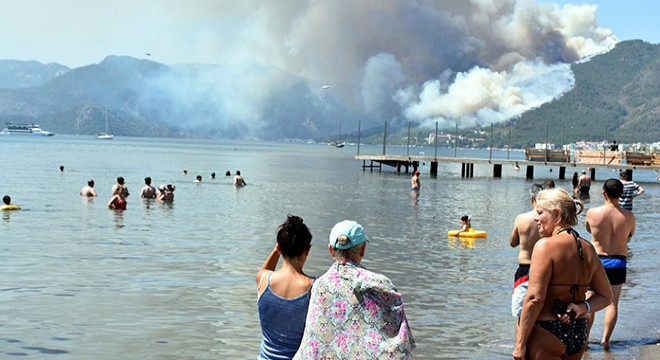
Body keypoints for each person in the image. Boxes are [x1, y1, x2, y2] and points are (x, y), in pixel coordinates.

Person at [513, 188, 612, 360]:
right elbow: (606, 296)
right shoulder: (588, 249)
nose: (536, 218)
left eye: (540, 212)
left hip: (546, 331)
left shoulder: (545, 246)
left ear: (557, 215)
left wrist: (519, 344)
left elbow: (535, 298)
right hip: (578, 331)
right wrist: (583, 307)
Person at [294, 220, 415, 359]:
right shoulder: (382, 284)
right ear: (363, 250)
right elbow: (399, 339)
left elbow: (314, 342)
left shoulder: (320, 286)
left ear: (331, 250)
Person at [585, 179, 636, 349]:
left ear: (603, 193)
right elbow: (629, 236)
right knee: (612, 303)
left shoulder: (592, 213)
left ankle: (584, 341)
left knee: (589, 302)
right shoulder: (629, 216)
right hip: (618, 262)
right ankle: (605, 340)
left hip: (597, 260)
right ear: (622, 194)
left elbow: (589, 229)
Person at [256, 215, 314, 360]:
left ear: (279, 247)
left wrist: (277, 250)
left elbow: (264, 270)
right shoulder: (314, 288)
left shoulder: (263, 279)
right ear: (308, 250)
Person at [509, 184, 543, 339]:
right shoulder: (549, 221)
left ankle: (519, 345)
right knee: (541, 310)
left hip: (524, 268)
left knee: (520, 313)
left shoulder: (521, 218)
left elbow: (513, 242)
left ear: (532, 198)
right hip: (544, 268)